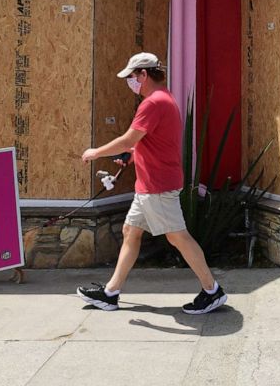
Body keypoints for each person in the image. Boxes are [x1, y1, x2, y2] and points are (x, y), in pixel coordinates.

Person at [76, 52, 227, 314]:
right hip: (149, 186)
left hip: (157, 187)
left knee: (178, 237)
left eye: (132, 77)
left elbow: (127, 139)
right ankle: (110, 293)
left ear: (144, 75)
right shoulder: (163, 100)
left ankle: (212, 290)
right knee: (130, 232)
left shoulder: (153, 103)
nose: (130, 82)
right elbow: (148, 142)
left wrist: (95, 152)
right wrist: (133, 156)